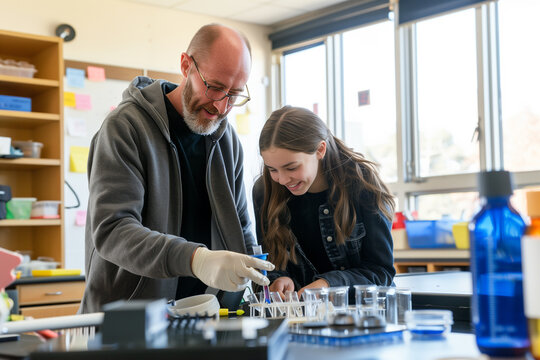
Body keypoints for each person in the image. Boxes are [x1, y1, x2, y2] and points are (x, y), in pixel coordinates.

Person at [80, 24, 274, 314]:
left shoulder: (226, 139)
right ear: (186, 66)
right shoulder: (125, 128)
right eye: (215, 87)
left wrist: (262, 282)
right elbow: (113, 230)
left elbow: (241, 228)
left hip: (203, 314)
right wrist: (196, 259)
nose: (222, 107)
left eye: (233, 94)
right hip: (128, 320)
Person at [253, 106, 395, 300]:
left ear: (320, 149)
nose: (283, 180)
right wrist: (279, 279)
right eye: (272, 169)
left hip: (362, 315)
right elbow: (270, 264)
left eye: (291, 167)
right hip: (301, 317)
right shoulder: (265, 190)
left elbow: (381, 273)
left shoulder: (363, 185)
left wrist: (329, 285)